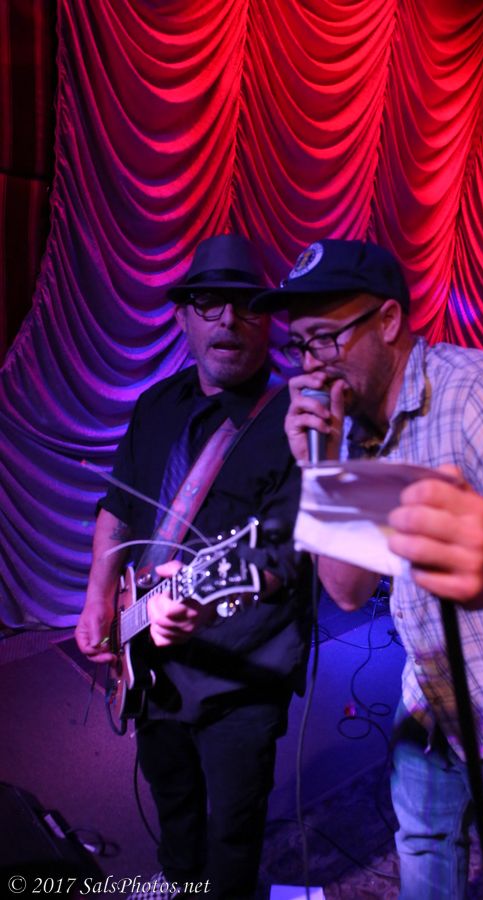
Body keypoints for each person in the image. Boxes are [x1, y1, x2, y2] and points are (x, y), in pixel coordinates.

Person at [251, 238, 483, 899]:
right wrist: (320, 467)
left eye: (325, 339)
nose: (312, 366)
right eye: (299, 346)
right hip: (433, 705)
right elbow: (346, 589)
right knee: (423, 866)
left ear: (388, 321)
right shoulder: (353, 427)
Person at [75, 234, 311, 900]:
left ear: (268, 319)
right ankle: (179, 882)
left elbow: (290, 553)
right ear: (182, 316)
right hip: (149, 660)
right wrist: (98, 596)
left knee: (234, 829)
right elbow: (118, 506)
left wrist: (206, 603)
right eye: (209, 303)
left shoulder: (298, 420)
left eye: (246, 304)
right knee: (172, 798)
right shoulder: (157, 405)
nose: (228, 319)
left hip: (242, 674)